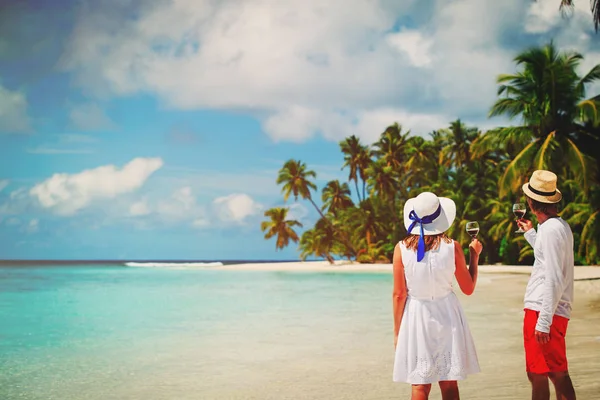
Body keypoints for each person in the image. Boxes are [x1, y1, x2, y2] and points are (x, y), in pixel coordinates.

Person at [392, 191, 482, 400]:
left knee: (420, 384)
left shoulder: (401, 249)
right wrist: (474, 257)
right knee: (449, 383)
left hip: (416, 316)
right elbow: (468, 288)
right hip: (448, 315)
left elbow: (399, 294)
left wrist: (397, 332)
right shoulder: (453, 247)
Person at [516, 170, 576, 400]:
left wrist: (543, 321)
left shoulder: (550, 230)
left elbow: (553, 276)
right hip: (551, 309)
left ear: (532, 203)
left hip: (543, 309)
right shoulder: (557, 226)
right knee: (551, 372)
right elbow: (546, 259)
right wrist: (530, 233)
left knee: (543, 374)